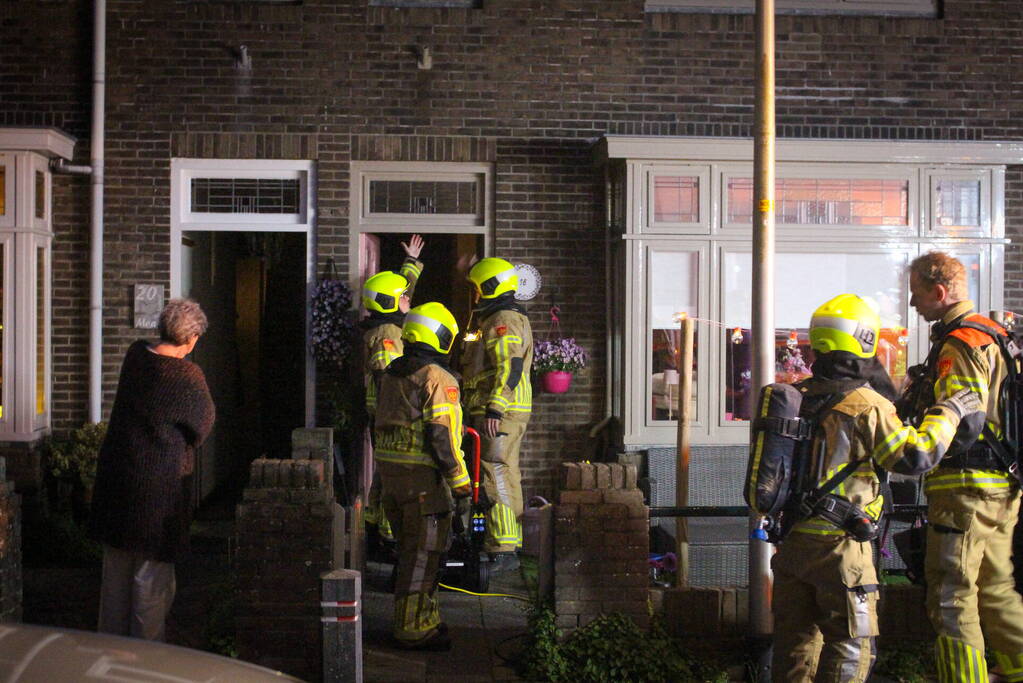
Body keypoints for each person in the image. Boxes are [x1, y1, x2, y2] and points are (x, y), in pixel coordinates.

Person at [771, 293, 979, 682]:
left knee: (795, 645)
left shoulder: (795, 396)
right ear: (863, 339)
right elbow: (915, 457)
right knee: (851, 646)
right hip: (841, 549)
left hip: (792, 542)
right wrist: (948, 413)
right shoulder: (866, 405)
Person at [906, 251, 1023, 683]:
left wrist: (921, 446)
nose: (913, 304)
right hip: (1002, 486)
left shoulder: (960, 342)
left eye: (916, 294)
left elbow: (965, 419)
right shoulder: (998, 335)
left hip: (965, 490)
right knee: (996, 589)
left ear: (939, 292)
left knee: (951, 593)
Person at [89, 298, 215, 641]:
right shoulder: (186, 375)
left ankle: (108, 655)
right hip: (158, 488)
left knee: (115, 578)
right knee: (151, 584)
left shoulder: (136, 355)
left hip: (118, 478)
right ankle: (143, 663)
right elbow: (202, 426)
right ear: (191, 339)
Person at [373, 302, 471, 651]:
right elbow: (441, 437)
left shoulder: (392, 373)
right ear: (440, 336)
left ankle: (425, 618)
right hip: (423, 483)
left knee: (411, 552)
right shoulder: (436, 378)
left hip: (393, 481)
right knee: (424, 556)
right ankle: (412, 628)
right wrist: (462, 485)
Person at [461, 257, 532, 572]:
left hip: (501, 412)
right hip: (500, 410)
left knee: (496, 472)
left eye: (477, 288)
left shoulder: (502, 319)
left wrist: (495, 407)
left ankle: (503, 549)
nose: (475, 296)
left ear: (489, 287)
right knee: (503, 472)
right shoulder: (495, 318)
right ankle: (505, 543)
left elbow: (510, 365)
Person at [361, 235, 425, 544]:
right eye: (402, 297)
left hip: (387, 413)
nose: (408, 299)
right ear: (389, 302)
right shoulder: (388, 334)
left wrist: (411, 264)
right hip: (390, 414)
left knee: (385, 471)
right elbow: (390, 377)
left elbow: (400, 293)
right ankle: (387, 534)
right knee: (392, 473)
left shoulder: (387, 323)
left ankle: (376, 524)